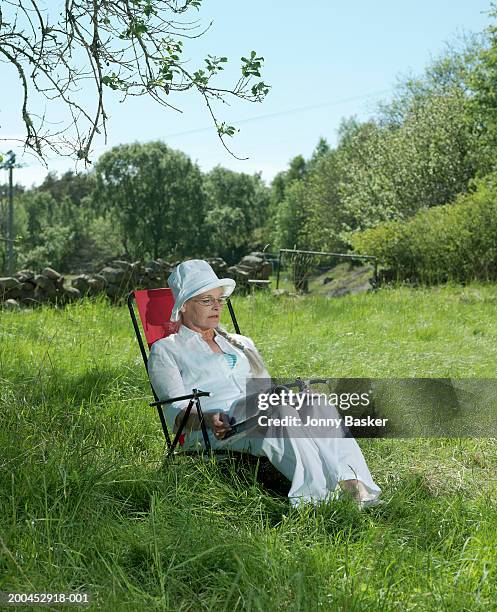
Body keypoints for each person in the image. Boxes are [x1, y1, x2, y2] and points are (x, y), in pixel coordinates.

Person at [148, 259, 382, 509]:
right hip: (217, 427)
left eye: (219, 300)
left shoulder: (241, 343)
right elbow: (176, 413)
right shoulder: (167, 350)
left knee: (316, 403)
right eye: (206, 300)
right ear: (183, 306)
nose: (216, 306)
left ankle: (355, 487)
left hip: (259, 414)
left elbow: (267, 389)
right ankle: (317, 501)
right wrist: (209, 418)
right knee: (279, 409)